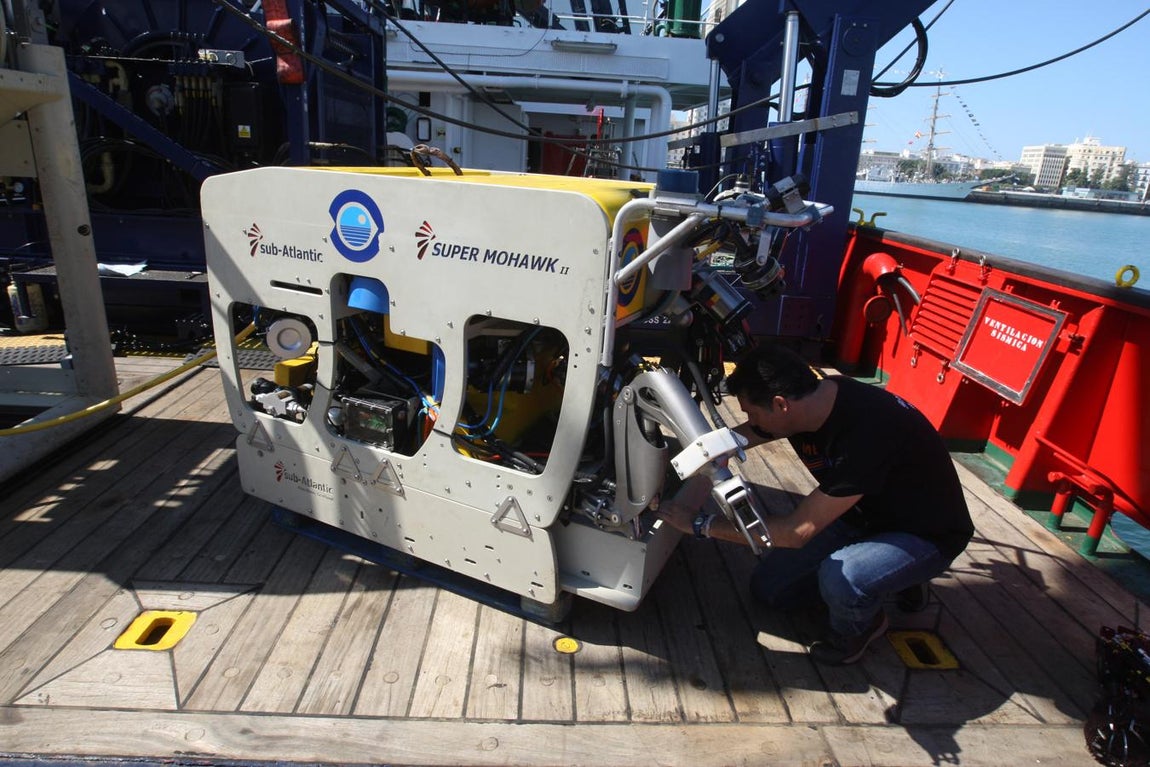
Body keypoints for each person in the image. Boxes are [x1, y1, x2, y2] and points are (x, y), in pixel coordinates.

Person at [657, 342, 974, 665]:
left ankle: (861, 628)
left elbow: (797, 531)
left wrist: (700, 524)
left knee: (844, 578)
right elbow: (740, 439)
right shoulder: (814, 400)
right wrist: (688, 464)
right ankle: (889, 578)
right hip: (862, 512)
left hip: (924, 534)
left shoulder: (868, 435)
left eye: (752, 413)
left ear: (780, 405)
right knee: (771, 590)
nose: (750, 422)